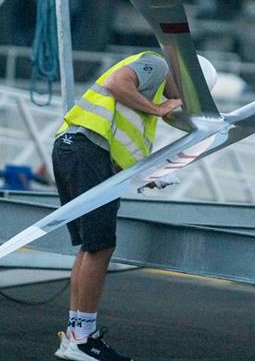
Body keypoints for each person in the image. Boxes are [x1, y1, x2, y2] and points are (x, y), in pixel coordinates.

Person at [52, 51, 216, 361]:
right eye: (185, 96)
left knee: (91, 247)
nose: (180, 101)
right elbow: (117, 83)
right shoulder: (156, 65)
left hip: (76, 150)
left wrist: (148, 175)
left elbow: (119, 140)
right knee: (100, 247)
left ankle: (76, 335)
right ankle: (82, 340)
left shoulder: (149, 85)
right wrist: (158, 108)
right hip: (85, 151)